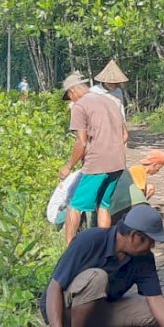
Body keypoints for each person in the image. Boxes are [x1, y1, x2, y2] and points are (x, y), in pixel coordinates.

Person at [60, 73, 129, 245]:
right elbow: (125, 135)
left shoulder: (79, 106)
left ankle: (70, 249)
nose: (71, 100)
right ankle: (104, 246)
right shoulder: (110, 101)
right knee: (104, 205)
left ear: (73, 91)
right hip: (118, 162)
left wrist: (68, 166)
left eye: (69, 96)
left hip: (97, 163)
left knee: (75, 205)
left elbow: (81, 142)